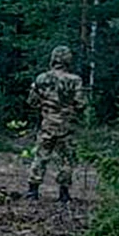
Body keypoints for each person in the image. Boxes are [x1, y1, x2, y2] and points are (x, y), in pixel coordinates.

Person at [26, 45, 85, 202]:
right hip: (66, 126)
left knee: (40, 157)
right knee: (66, 160)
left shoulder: (41, 78)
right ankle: (63, 193)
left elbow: (32, 101)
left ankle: (33, 191)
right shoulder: (75, 80)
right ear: (68, 60)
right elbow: (81, 104)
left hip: (47, 125)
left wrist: (47, 106)